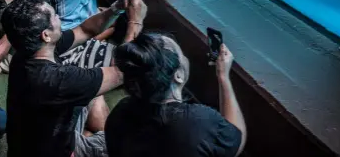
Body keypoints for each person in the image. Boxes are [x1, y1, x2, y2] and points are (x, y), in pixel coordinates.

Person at [1, 0, 147, 157]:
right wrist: (135, 21)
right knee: (125, 143)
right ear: (46, 35)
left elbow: (85, 30)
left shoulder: (27, 52)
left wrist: (116, 8)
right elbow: (123, 70)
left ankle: (89, 136)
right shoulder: (58, 80)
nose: (58, 16)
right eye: (54, 15)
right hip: (58, 151)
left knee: (94, 92)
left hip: (33, 143)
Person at [105, 32, 246, 157]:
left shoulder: (120, 111)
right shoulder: (200, 122)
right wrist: (223, 77)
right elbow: (236, 140)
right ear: (178, 75)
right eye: (181, 54)